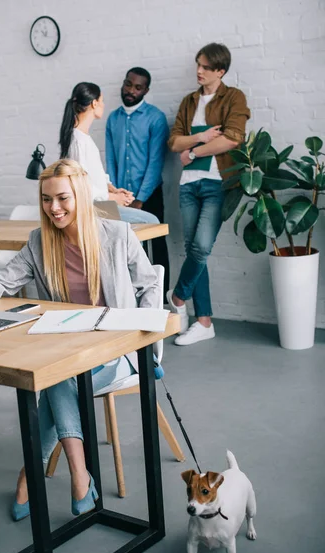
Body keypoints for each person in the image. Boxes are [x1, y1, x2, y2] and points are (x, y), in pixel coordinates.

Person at [0, 159, 160, 521]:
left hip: (116, 350)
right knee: (60, 373)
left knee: (57, 379)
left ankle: (33, 476)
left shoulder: (118, 236)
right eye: (46, 200)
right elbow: (4, 279)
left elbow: (151, 284)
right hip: (65, 346)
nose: (54, 208)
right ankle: (80, 476)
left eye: (62, 198)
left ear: (79, 194)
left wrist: (149, 347)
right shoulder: (39, 240)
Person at [167, 43, 250, 345]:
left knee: (200, 248)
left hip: (217, 184)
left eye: (205, 67)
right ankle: (204, 322)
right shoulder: (189, 101)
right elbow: (174, 142)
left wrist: (194, 151)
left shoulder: (234, 97)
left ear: (220, 71)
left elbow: (232, 139)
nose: (198, 71)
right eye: (197, 65)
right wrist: (200, 137)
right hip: (189, 185)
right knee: (193, 250)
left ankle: (177, 297)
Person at [106, 67, 171, 295]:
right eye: (128, 84)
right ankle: (129, 299)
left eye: (137, 87)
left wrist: (140, 199)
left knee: (155, 247)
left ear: (146, 90)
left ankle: (161, 300)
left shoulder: (156, 118)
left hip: (149, 195)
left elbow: (155, 162)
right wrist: (114, 196)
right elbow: (111, 160)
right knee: (122, 247)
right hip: (120, 197)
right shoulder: (113, 119)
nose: (131, 90)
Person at [59, 82, 159, 225]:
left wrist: (114, 190)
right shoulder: (79, 141)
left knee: (140, 225)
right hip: (94, 209)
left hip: (100, 205)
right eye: (102, 101)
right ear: (94, 103)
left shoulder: (83, 138)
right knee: (150, 221)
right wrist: (112, 198)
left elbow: (92, 175)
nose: (103, 105)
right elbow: (81, 187)